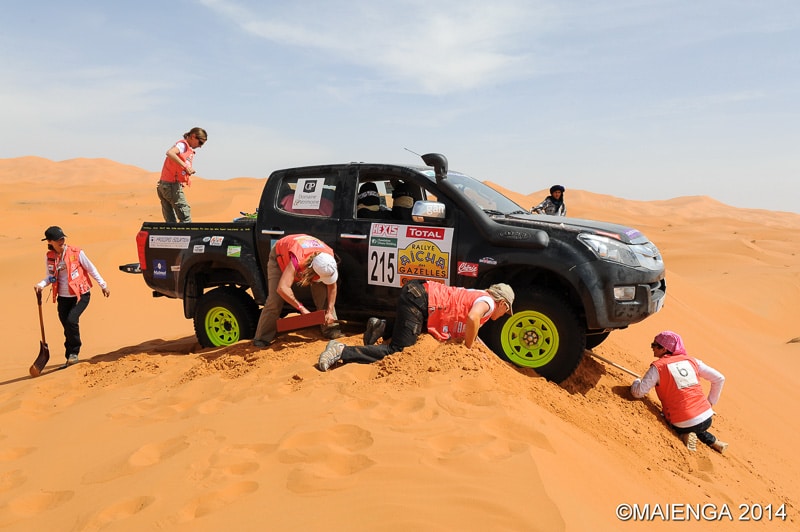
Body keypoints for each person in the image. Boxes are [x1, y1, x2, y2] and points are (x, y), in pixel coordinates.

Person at [318, 281, 515, 371]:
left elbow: (472, 329)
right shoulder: (488, 304)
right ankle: (342, 351)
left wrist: (484, 351)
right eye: (505, 311)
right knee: (400, 349)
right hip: (421, 301)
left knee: (421, 329)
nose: (502, 315)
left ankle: (382, 327)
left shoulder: (479, 294)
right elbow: (472, 318)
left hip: (420, 295)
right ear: (503, 304)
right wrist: (469, 349)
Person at [630, 331, 728, 453]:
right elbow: (719, 378)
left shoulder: (658, 367)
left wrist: (636, 382)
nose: (652, 348)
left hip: (683, 422)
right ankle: (714, 442)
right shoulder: (693, 361)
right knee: (694, 422)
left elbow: (638, 393)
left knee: (669, 418)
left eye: (654, 345)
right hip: (707, 418)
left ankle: (684, 434)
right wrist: (709, 404)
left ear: (664, 349)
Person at [34, 226, 110, 366]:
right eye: (58, 240)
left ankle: (74, 353)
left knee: (71, 321)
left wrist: (103, 285)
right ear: (50, 241)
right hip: (63, 298)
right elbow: (50, 277)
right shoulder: (50, 257)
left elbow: (91, 268)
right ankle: (69, 356)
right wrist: (41, 285)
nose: (62, 241)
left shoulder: (76, 252)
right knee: (67, 326)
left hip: (81, 294)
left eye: (63, 238)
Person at [253, 234, 343, 347]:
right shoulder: (298, 259)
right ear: (311, 271)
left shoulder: (328, 259)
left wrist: (329, 312)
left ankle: (331, 330)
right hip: (281, 255)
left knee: (323, 294)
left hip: (309, 259)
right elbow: (282, 288)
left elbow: (331, 286)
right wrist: (301, 308)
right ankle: (262, 338)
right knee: (275, 301)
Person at [157, 127, 207, 223]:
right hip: (170, 185)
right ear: (193, 136)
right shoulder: (183, 145)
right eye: (200, 142)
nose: (200, 146)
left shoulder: (184, 147)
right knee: (185, 217)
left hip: (165, 185)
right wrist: (185, 166)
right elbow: (170, 152)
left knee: (170, 220)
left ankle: (172, 236)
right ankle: (187, 237)